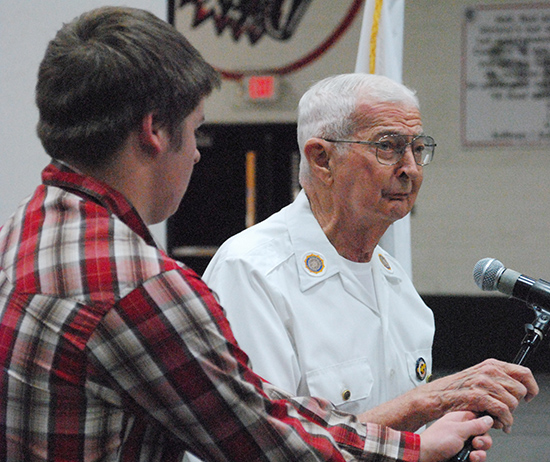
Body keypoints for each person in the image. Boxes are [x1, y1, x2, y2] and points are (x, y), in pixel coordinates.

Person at [0, 6, 499, 462]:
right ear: (154, 131)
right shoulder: (140, 286)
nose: (197, 154)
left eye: (417, 148)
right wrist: (417, 441)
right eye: (196, 130)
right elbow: (264, 438)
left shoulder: (25, 229)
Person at [203, 73, 538, 433]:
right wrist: (427, 403)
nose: (409, 167)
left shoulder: (396, 284)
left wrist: (443, 440)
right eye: (388, 146)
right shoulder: (253, 272)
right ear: (321, 159)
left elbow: (406, 435)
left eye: (418, 148)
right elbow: (262, 443)